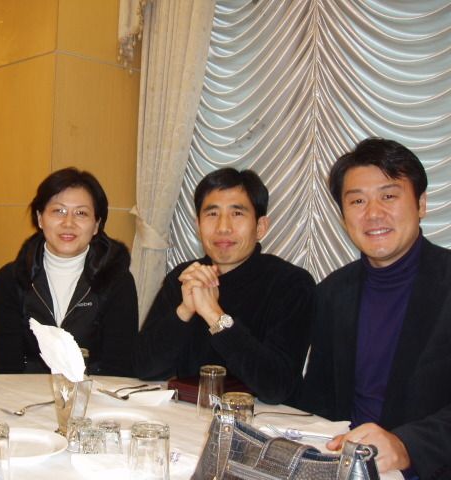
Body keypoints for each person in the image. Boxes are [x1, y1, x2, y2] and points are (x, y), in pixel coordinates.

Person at [301, 138, 451, 478]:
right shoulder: (333, 292)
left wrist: (407, 446)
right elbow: (318, 399)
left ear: (421, 204)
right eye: (357, 201)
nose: (373, 213)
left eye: (389, 196)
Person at [135, 168, 315, 404]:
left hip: (265, 420)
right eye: (212, 214)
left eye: (237, 213)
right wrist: (184, 311)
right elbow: (143, 368)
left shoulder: (291, 284)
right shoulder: (185, 277)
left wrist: (215, 317)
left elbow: (276, 387)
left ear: (260, 226)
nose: (223, 227)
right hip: (188, 413)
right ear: (198, 225)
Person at [0, 167, 138, 376]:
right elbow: (4, 368)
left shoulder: (116, 280)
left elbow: (119, 368)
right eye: (58, 211)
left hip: (93, 393)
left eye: (81, 213)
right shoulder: (11, 279)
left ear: (96, 225)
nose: (68, 223)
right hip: (24, 392)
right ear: (40, 218)